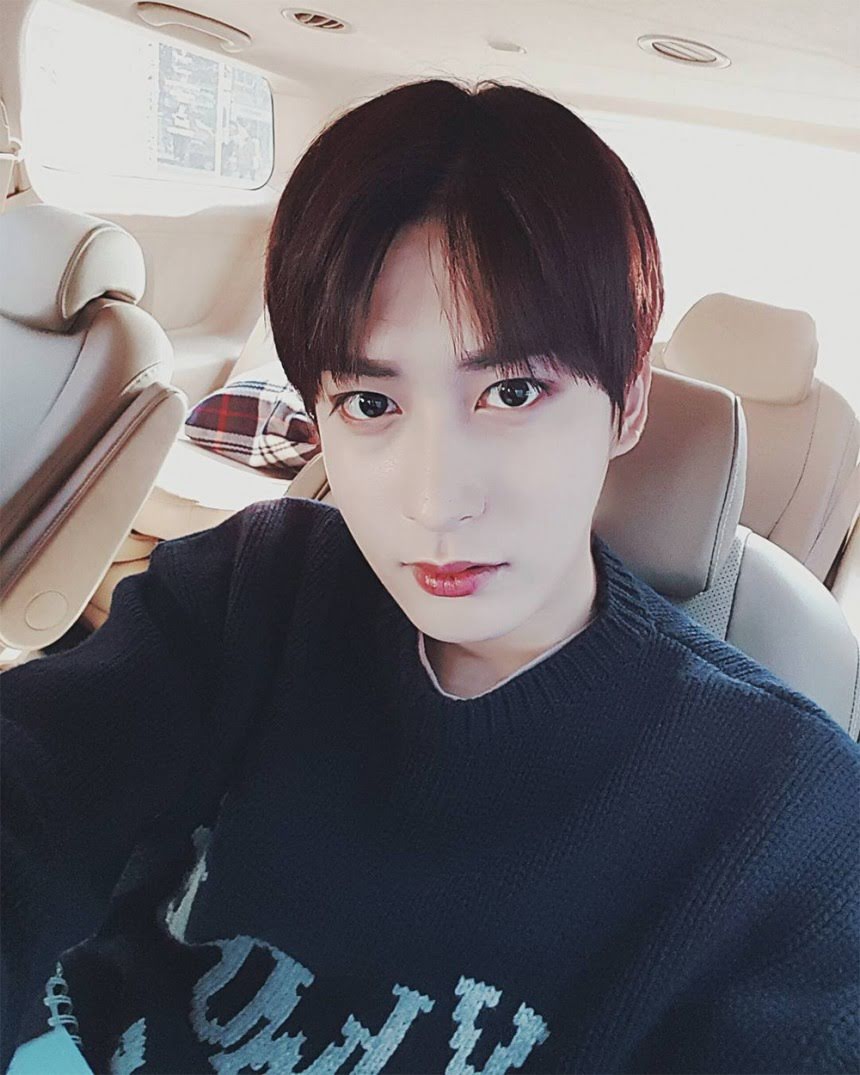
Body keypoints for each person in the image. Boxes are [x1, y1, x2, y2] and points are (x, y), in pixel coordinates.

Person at [1, 78, 858, 1075]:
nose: (436, 500)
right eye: (371, 403)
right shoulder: (253, 590)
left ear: (627, 403)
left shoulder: (780, 810)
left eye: (512, 390)